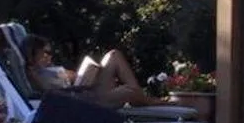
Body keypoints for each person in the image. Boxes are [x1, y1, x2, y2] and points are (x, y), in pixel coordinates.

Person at [24, 34, 153, 108]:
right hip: (85, 102)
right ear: (34, 53)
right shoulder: (35, 74)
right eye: (46, 52)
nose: (49, 56)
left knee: (114, 55)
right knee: (130, 90)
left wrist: (87, 74)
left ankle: (145, 100)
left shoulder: (49, 69)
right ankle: (151, 102)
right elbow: (50, 93)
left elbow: (74, 77)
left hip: (87, 91)